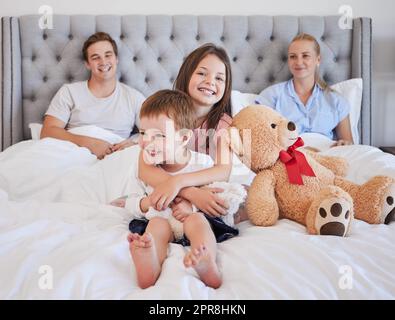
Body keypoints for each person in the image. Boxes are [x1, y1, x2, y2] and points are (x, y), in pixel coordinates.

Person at [111, 90, 239, 289]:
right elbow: (134, 200)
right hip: (161, 220)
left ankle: (206, 260)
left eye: (159, 135)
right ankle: (150, 264)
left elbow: (214, 199)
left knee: (197, 221)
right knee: (156, 226)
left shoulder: (202, 164)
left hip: (190, 222)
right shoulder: (145, 166)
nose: (146, 141)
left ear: (184, 138)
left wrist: (192, 208)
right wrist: (146, 203)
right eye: (143, 133)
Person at [138, 43, 242, 218]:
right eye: (202, 73)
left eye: (219, 78)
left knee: (239, 200)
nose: (210, 82)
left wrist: (180, 182)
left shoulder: (223, 125)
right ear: (187, 76)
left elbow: (223, 170)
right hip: (172, 177)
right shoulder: (166, 111)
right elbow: (145, 169)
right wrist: (190, 193)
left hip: (199, 181)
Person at [40, 32, 145, 159]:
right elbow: (47, 131)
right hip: (73, 154)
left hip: (116, 157)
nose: (103, 62)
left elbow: (155, 132)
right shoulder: (69, 92)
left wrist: (132, 144)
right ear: (87, 64)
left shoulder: (134, 97)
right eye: (96, 57)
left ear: (116, 59)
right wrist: (90, 143)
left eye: (108, 55)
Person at [255, 33, 353, 147]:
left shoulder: (336, 101)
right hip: (288, 158)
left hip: (326, 157)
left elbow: (349, 145)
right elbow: (260, 138)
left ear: (318, 60)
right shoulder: (272, 96)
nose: (298, 62)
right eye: (293, 56)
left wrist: (344, 144)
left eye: (305, 56)